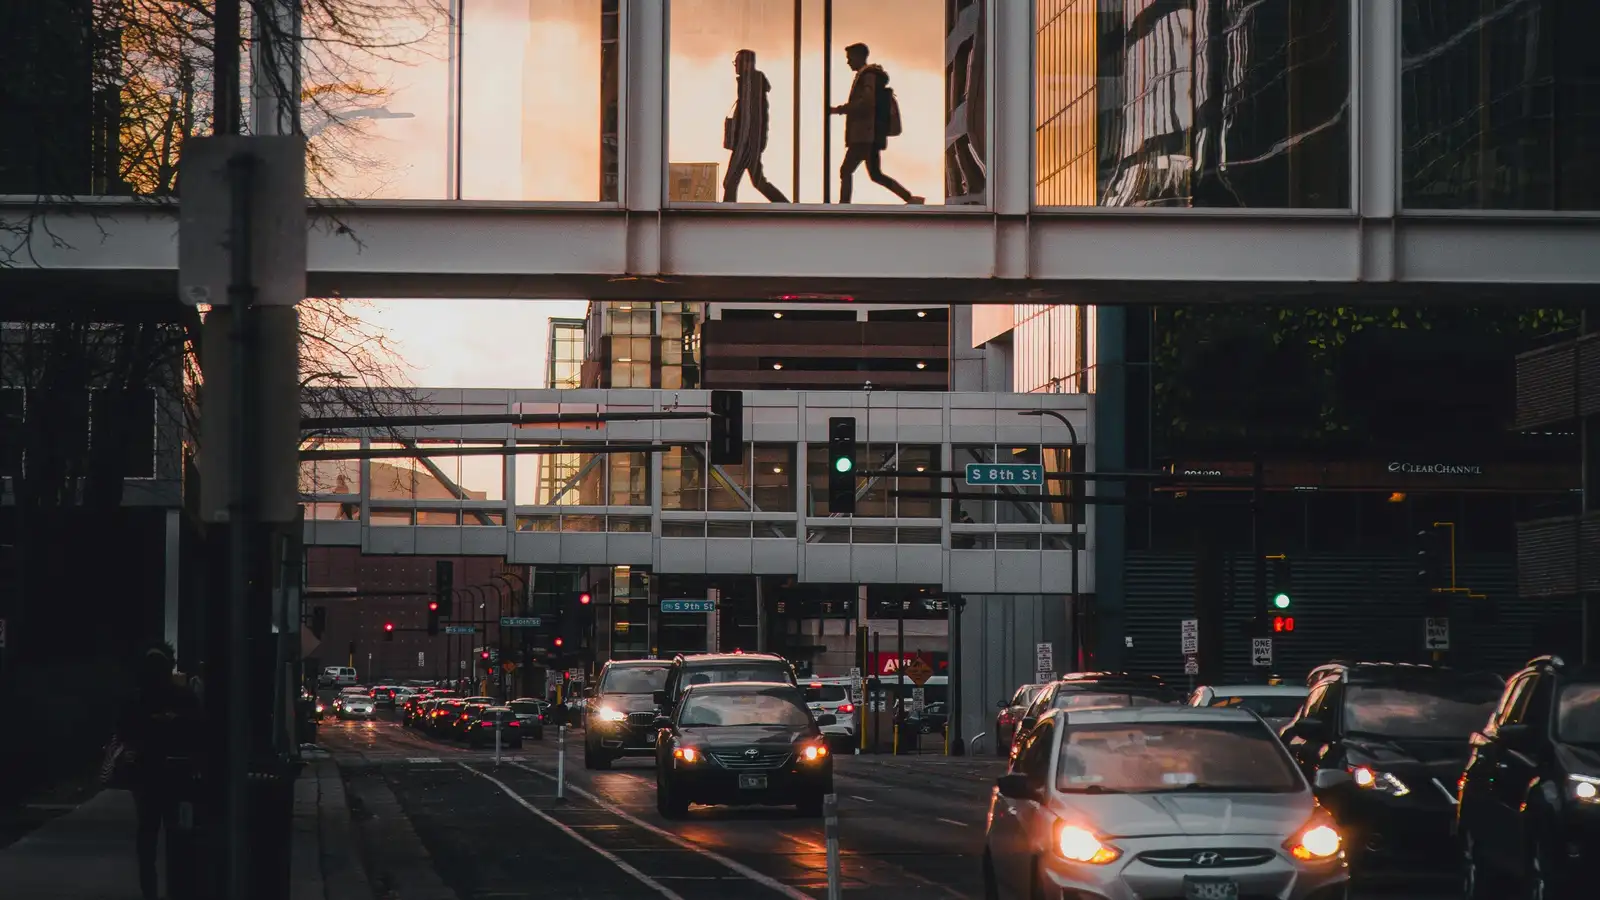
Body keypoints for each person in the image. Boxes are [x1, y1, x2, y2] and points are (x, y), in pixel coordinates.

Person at [115, 644, 201, 900]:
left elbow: (123, 731)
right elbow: (199, 731)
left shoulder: (136, 699)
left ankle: (150, 891)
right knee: (176, 834)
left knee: (148, 834)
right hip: (174, 773)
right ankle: (177, 887)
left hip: (147, 773)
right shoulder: (183, 697)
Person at [830, 43, 923, 205]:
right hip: (867, 134)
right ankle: (910, 198)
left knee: (847, 170)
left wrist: (839, 110)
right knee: (875, 174)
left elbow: (866, 102)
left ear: (859, 57)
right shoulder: (866, 76)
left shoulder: (867, 76)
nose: (848, 62)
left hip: (865, 135)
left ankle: (844, 205)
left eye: (850, 58)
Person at [722, 49, 789, 203]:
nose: (735, 66)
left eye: (738, 62)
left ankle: (727, 218)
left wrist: (744, 144)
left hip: (746, 143)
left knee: (730, 182)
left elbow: (749, 117)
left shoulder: (750, 83)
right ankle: (785, 206)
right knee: (758, 182)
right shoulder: (752, 83)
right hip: (751, 143)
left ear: (747, 64)